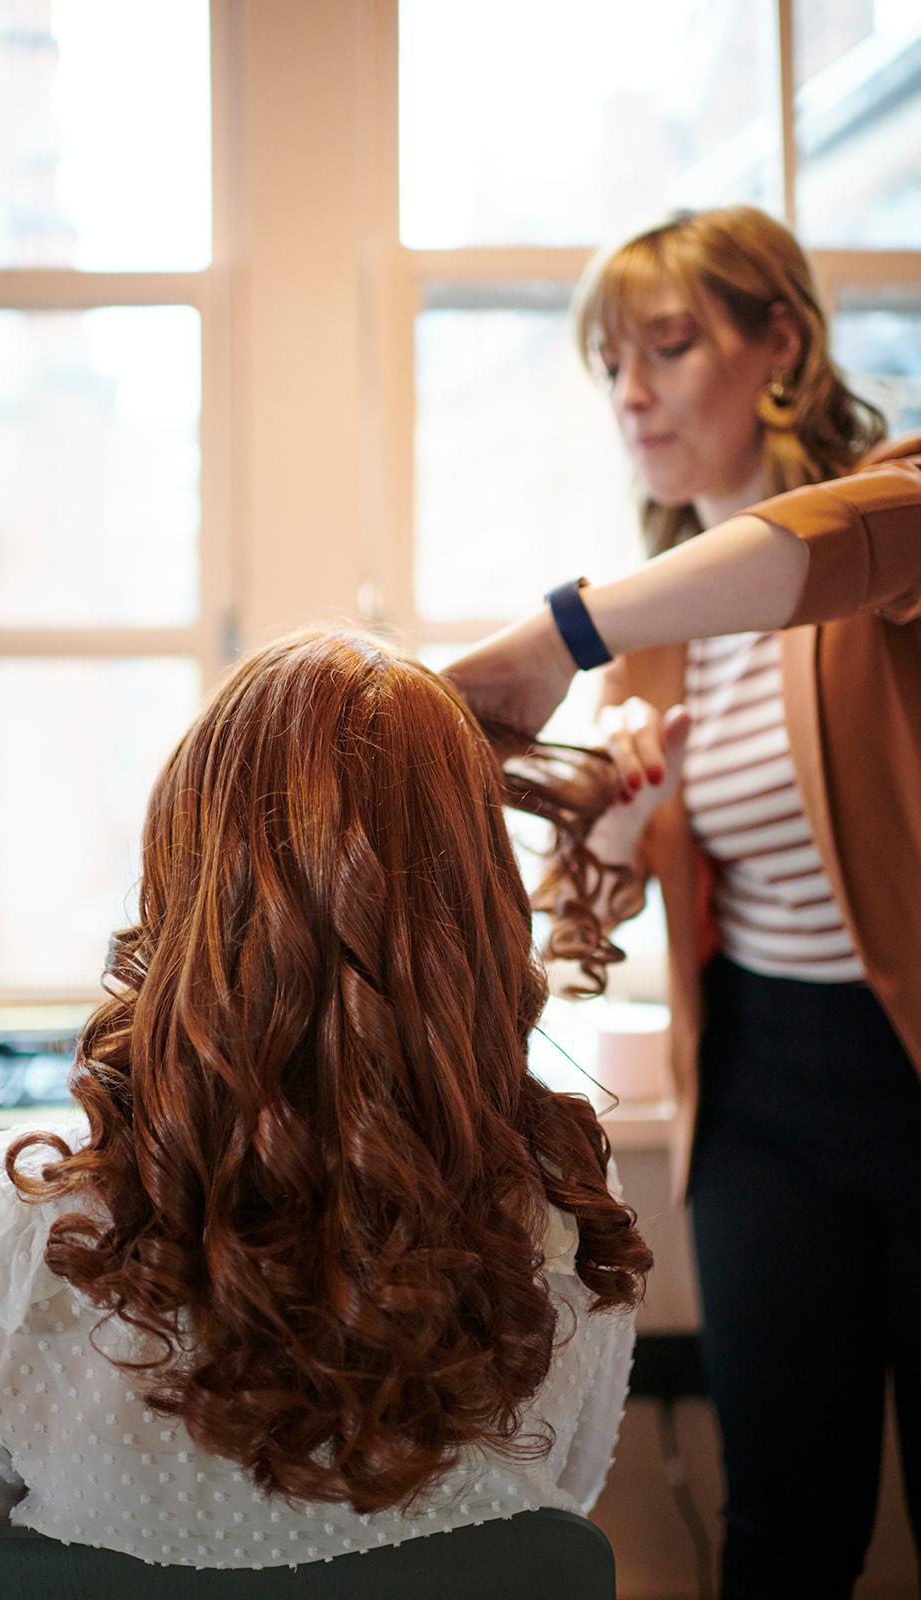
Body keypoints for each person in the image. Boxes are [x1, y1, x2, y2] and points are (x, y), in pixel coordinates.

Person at [0, 630, 649, 1572]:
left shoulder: (5, 1229)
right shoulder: (559, 1211)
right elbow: (538, 1537)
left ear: (187, 870)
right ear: (476, 888)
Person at [445, 205, 921, 1598]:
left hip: (911, 1079)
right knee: (779, 1519)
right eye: (608, 364)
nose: (630, 393)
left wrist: (562, 627)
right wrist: (626, 831)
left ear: (781, 342)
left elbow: (818, 544)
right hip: (762, 1100)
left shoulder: (888, 520)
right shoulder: (650, 655)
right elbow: (584, 922)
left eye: (665, 347)